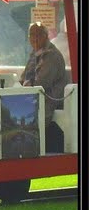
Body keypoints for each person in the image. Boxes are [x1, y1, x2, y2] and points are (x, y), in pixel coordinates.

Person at [21, 21, 68, 152]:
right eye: (31, 35)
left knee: (23, 111)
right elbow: (23, 78)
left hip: (49, 99)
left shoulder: (52, 55)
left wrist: (26, 85)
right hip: (31, 96)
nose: (34, 38)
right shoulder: (34, 54)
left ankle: (30, 147)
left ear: (46, 36)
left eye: (38, 35)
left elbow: (42, 83)